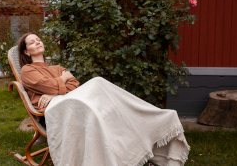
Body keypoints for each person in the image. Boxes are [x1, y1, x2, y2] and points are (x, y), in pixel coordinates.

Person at [19, 32, 190, 166]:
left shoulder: (56, 67)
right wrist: (63, 80)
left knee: (98, 83)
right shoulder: (27, 70)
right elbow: (50, 85)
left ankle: (152, 120)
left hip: (71, 100)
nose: (38, 42)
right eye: (32, 42)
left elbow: (75, 86)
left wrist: (54, 90)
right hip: (54, 111)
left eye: (39, 39)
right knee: (92, 90)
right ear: (26, 51)